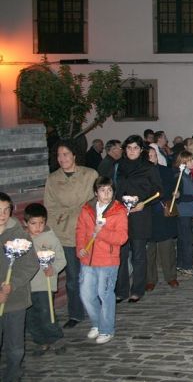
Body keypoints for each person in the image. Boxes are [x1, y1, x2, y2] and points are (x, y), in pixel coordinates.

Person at [43, 139, 98, 328]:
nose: (62, 158)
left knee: (90, 274)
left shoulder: (90, 174)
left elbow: (99, 199)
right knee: (73, 276)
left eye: (66, 154)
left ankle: (94, 307)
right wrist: (51, 233)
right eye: (58, 155)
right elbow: (49, 207)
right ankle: (75, 313)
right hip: (65, 232)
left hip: (87, 231)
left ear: (74, 155)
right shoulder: (53, 179)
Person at [77, 176, 128, 345]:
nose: (106, 194)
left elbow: (121, 238)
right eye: (102, 190)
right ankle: (97, 323)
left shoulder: (118, 211)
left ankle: (107, 329)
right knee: (86, 294)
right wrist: (80, 249)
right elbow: (81, 231)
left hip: (108, 260)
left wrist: (102, 232)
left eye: (109, 190)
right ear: (95, 192)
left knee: (104, 294)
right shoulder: (87, 209)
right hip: (88, 259)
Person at [114, 135, 163, 303]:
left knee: (139, 254)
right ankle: (121, 290)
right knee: (121, 254)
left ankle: (138, 289)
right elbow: (114, 188)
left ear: (141, 150)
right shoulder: (119, 166)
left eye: (135, 148)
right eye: (129, 148)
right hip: (121, 215)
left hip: (140, 214)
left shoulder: (149, 167)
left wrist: (144, 203)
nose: (132, 151)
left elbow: (158, 191)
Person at [0, 192, 38, 381]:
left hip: (16, 300)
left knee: (15, 345)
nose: (2, 214)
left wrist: (12, 285)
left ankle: (13, 374)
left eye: (6, 210)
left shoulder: (20, 235)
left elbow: (31, 264)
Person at [23, 203, 66, 355]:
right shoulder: (22, 240)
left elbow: (61, 259)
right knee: (31, 317)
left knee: (46, 313)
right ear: (26, 223)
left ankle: (56, 339)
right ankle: (41, 341)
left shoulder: (50, 238)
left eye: (41, 223)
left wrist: (53, 269)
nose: (38, 227)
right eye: (33, 224)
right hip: (26, 286)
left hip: (44, 284)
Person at [145, 147, 179, 292]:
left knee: (167, 247)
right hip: (147, 214)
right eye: (149, 156)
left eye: (154, 156)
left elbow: (173, 188)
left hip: (162, 212)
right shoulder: (140, 173)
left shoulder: (165, 171)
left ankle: (170, 276)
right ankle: (150, 279)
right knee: (149, 250)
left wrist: (176, 194)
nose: (153, 158)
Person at [173, 151, 193, 277]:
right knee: (187, 240)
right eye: (189, 161)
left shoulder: (189, 175)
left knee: (182, 239)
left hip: (188, 211)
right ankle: (187, 266)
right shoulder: (180, 177)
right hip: (182, 212)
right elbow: (179, 197)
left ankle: (180, 263)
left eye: (192, 160)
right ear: (183, 162)